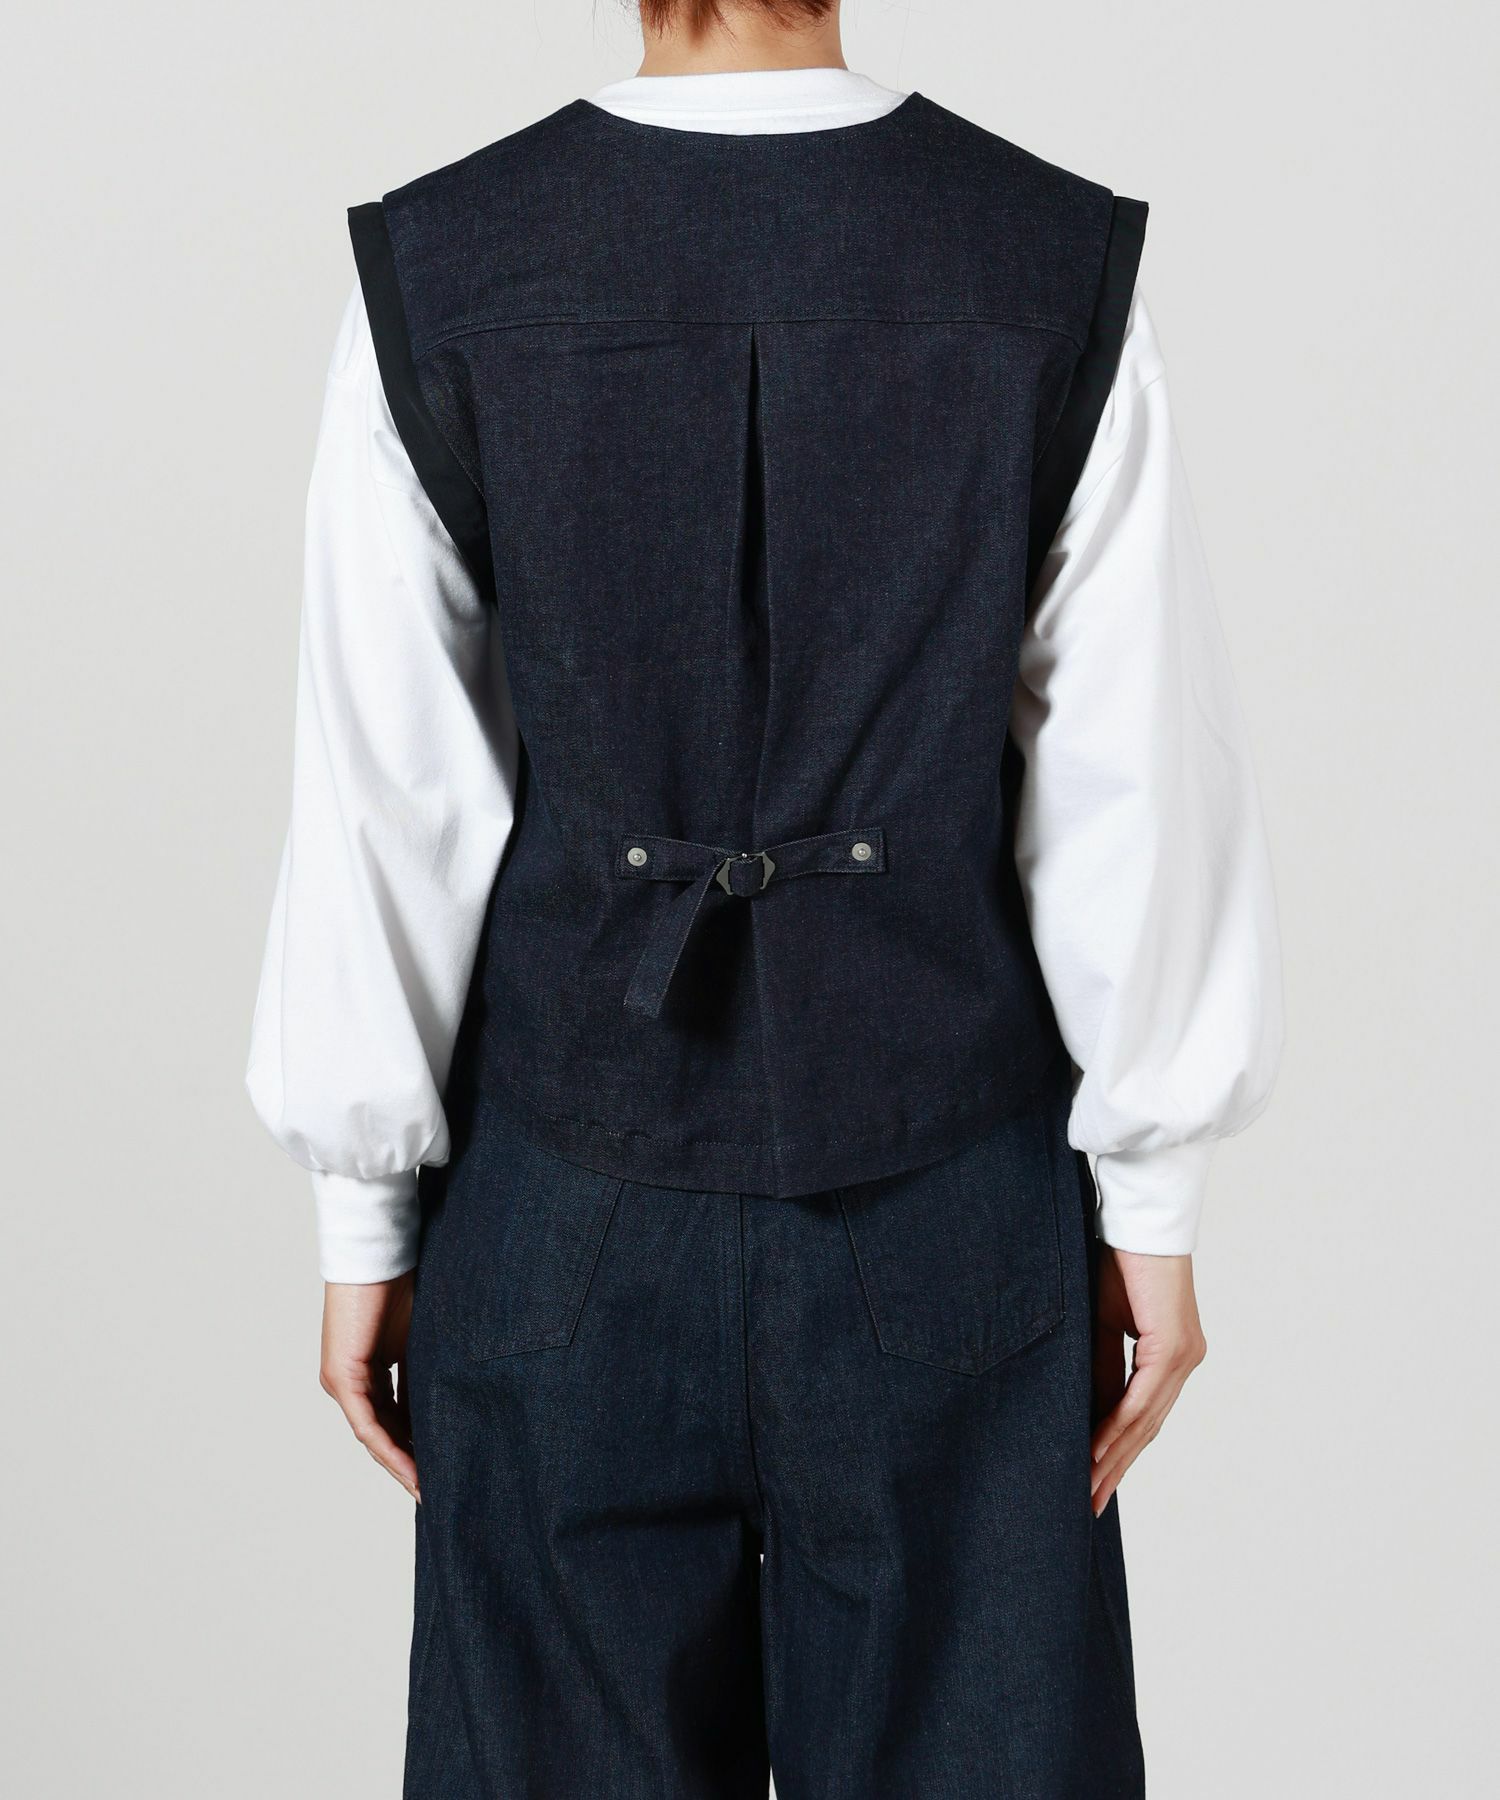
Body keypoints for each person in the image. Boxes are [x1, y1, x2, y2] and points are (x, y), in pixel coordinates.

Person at [248, 0, 1282, 1791]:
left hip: (561, 1216)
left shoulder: (447, 261)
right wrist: (1155, 1192)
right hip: (947, 1203)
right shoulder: (1041, 253)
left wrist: (363, 1220)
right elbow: (1129, 767)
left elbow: (388, 793)